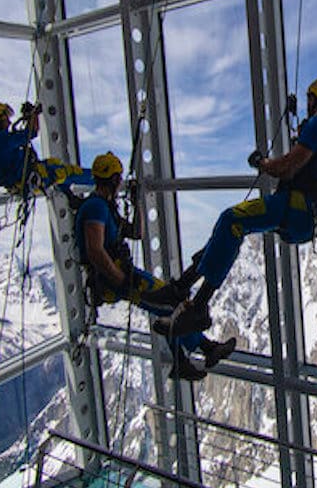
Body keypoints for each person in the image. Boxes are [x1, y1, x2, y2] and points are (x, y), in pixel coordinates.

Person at [154, 76, 317, 338]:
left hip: (297, 207)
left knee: (230, 220)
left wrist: (261, 162)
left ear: (315, 99)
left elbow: (286, 167)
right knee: (226, 233)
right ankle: (183, 285)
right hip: (308, 218)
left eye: (309, 99)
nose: (307, 103)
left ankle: (197, 305)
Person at [76, 151, 235, 381]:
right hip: (118, 279)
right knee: (170, 303)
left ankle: (202, 351)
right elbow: (95, 250)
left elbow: (136, 233)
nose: (120, 183)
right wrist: (119, 279)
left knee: (170, 306)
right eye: (118, 178)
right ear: (113, 179)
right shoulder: (95, 208)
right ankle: (195, 354)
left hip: (122, 277)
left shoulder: (104, 207)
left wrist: (137, 203)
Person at [0, 100, 94, 196]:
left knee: (54, 165)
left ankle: (70, 196)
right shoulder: (2, 140)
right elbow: (31, 132)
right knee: (66, 172)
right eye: (6, 117)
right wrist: (34, 114)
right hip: (27, 180)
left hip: (21, 180)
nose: (8, 121)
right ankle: (100, 178)